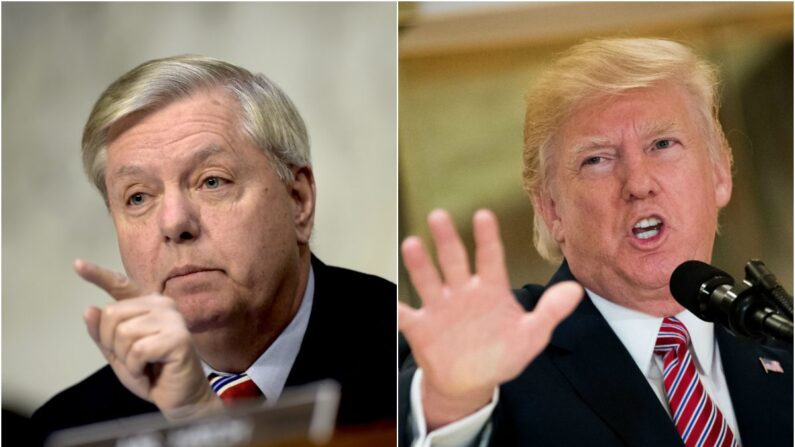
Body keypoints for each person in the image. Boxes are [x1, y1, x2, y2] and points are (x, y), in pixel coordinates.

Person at [398, 38, 792, 446]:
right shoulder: (497, 347)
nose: (638, 184)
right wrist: (449, 406)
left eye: (662, 145)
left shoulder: (780, 341)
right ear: (551, 209)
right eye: (597, 159)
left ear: (719, 173)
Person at [31, 55, 396, 443]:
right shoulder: (69, 430)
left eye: (212, 182)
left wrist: (204, 420)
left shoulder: (404, 357)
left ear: (298, 200)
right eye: (138, 198)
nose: (174, 224)